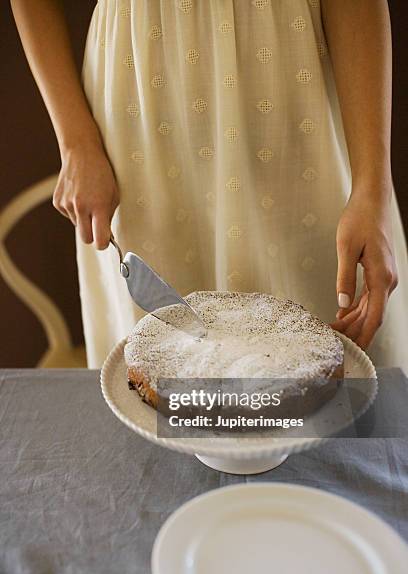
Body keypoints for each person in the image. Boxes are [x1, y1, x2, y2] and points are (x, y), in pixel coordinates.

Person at [11, 0, 408, 371]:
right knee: (162, 394)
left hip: (294, 98)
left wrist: (372, 190)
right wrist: (75, 143)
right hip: (140, 112)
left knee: (335, 384)